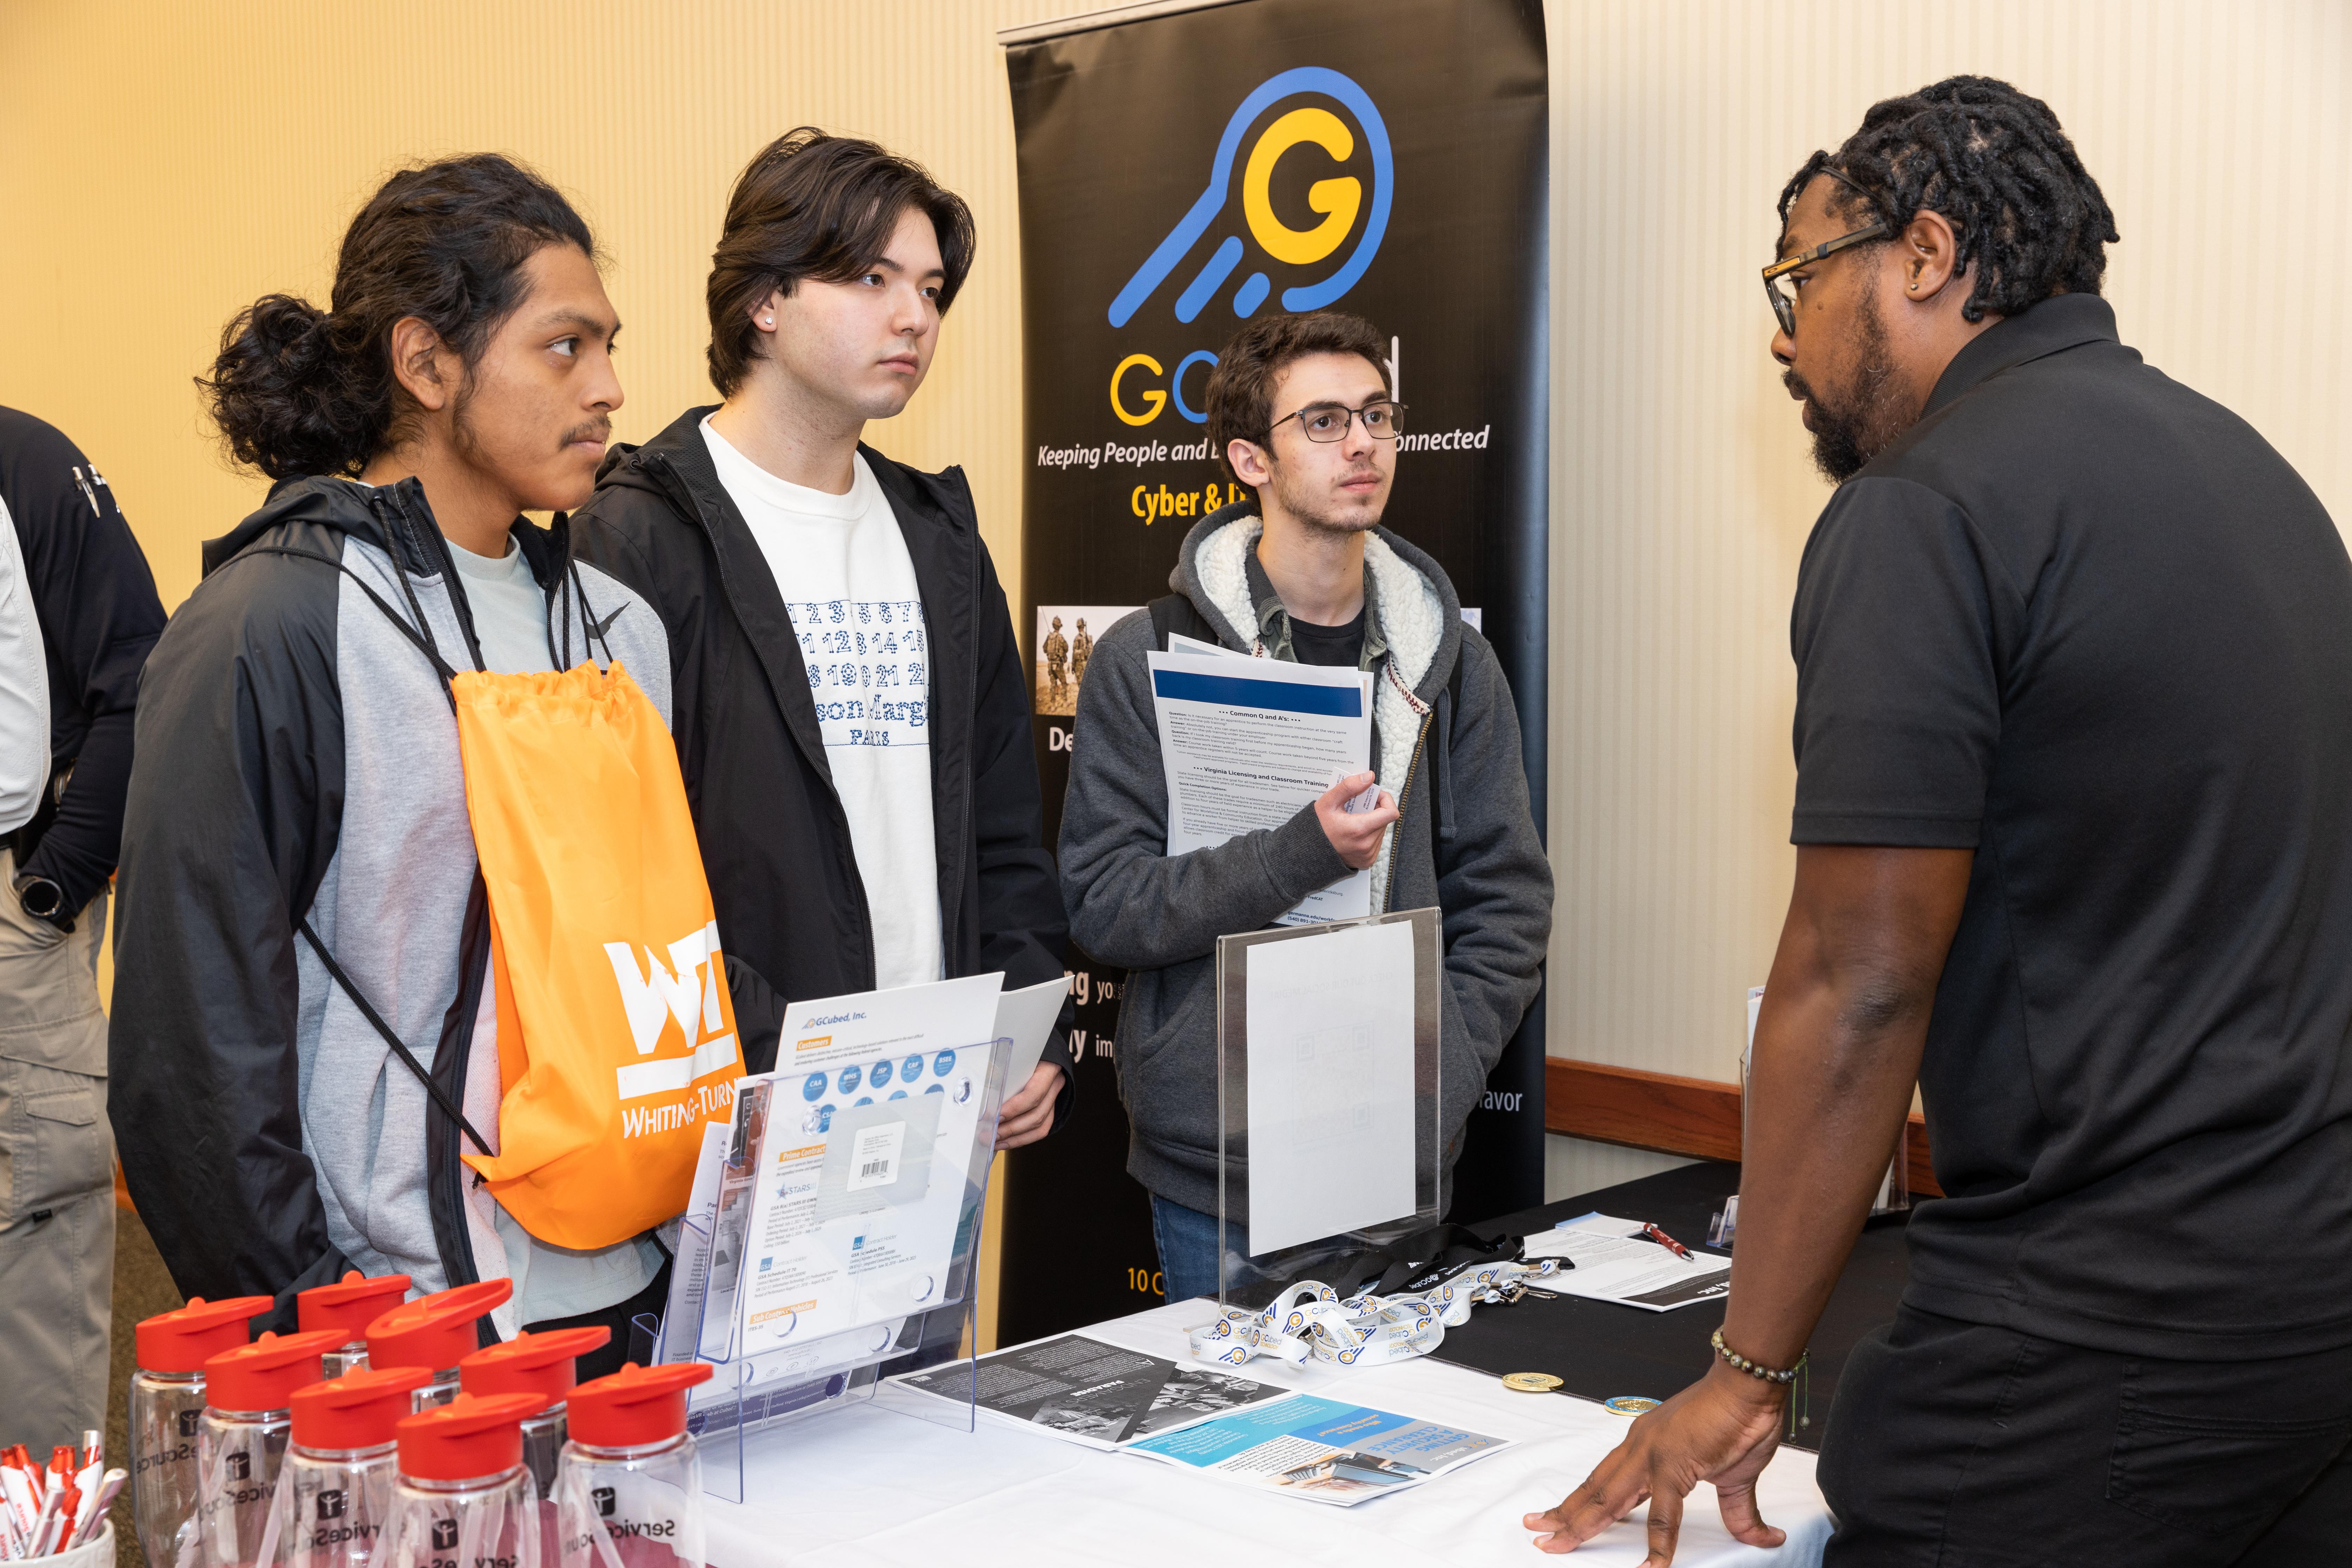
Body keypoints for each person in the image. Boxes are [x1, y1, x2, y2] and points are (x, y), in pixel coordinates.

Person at [1527, 77, 2352, 1565]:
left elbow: (1858, 977)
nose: (1776, 336)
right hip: (2307, 1322)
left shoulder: (1923, 506)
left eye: (1793, 277)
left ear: (1917, 255)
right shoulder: (2259, 481)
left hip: (2097, 1344)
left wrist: (1743, 1371)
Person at [111, 155, 676, 1371]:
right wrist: (327, 1338)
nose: (614, 388)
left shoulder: (625, 634)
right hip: (406, 1331)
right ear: (426, 364)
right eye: (565, 348)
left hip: (633, 1289)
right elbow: (192, 1061)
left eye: (610, 347)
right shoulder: (273, 629)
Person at [572, 128, 1074, 1151]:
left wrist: (1027, 1022)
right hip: (737, 1109)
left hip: (939, 1113)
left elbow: (1004, 827)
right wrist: (784, 1063)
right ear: (765, 298)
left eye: (931, 289)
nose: (913, 317)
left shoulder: (938, 538)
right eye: (870, 276)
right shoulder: (635, 535)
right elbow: (620, 874)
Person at [1056, 310, 1550, 1301]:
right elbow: (1106, 905)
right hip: (1218, 1166)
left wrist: (1433, 1080)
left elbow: (1509, 901)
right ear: (1251, 459)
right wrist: (1300, 854)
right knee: (1223, 1443)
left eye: (1376, 414)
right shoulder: (1146, 659)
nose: (1363, 442)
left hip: (1392, 1158)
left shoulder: (1453, 664)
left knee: (1390, 1448)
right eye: (1323, 422)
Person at [0, 408, 166, 1450]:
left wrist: (55, 886)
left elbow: (135, 675)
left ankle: (41, 1536)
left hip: (18, 906)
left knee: (36, 1244)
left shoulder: (26, 465)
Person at [1044, 614, 1069, 704]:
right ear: (1059, 627)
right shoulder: (1061, 637)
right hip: (1058, 664)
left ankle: (1053, 703)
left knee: (1053, 683)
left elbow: (1044, 649)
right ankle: (1065, 701)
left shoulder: (1049, 637)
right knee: (1064, 682)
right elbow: (1067, 648)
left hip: (1050, 664)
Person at [1070, 615, 1092, 689]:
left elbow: (1074, 653)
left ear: (1078, 627)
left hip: (1079, 664)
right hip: (1088, 664)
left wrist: (1073, 666)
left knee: (1080, 684)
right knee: (1088, 684)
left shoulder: (1078, 638)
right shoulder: (1089, 638)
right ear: (1084, 627)